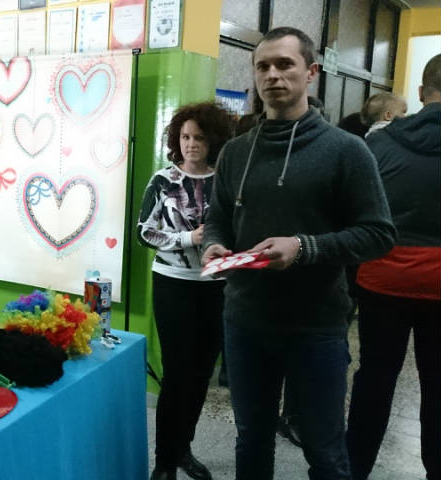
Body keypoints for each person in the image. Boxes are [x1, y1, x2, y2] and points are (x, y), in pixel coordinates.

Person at [202, 26, 396, 479]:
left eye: (284, 64)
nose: (272, 75)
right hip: (245, 322)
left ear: (311, 72)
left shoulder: (347, 151)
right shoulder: (235, 152)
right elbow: (218, 218)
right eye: (263, 66)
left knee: (325, 450)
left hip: (316, 327)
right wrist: (213, 244)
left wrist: (305, 247)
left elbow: (378, 234)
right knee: (251, 438)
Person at [346, 54, 441, 480]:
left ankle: (354, 469)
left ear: (420, 92)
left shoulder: (379, 143)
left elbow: (354, 210)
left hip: (381, 279)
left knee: (374, 379)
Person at [138, 102, 234, 480]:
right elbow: (144, 231)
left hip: (216, 286)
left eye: (199, 138)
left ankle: (183, 448)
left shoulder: (224, 180)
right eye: (185, 137)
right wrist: (187, 238)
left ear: (214, 141)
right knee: (177, 374)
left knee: (202, 373)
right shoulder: (163, 180)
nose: (191, 144)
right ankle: (164, 462)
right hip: (173, 284)